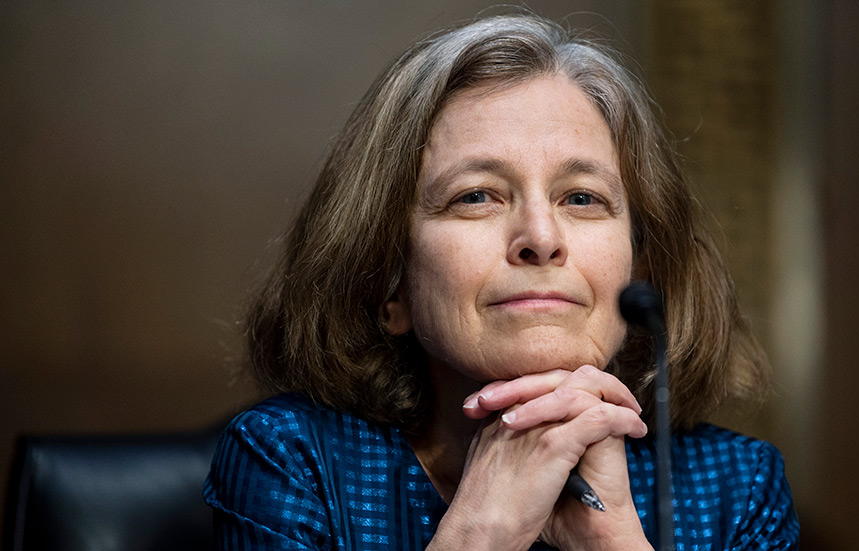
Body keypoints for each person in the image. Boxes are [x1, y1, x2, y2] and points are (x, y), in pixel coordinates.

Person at [204, 12, 799, 550]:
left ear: (640, 266)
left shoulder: (736, 489)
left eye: (583, 197)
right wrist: (481, 534)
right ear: (388, 285)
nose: (541, 237)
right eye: (476, 196)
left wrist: (613, 542)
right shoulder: (293, 462)